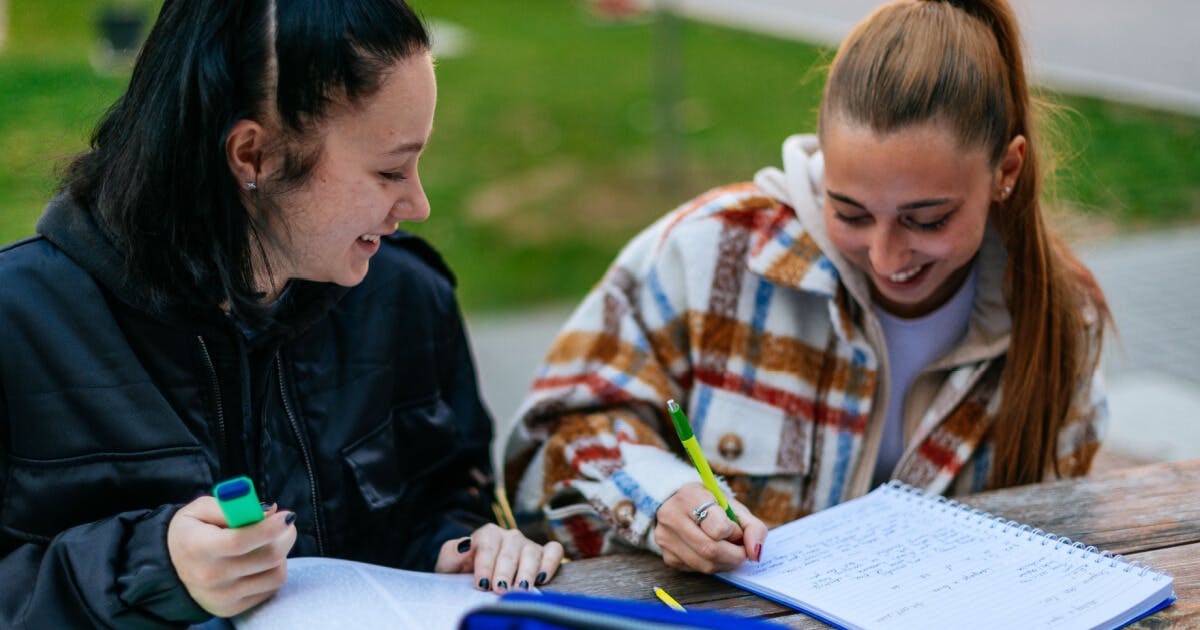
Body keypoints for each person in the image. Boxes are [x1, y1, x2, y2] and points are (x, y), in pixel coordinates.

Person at [0, 0, 562, 626]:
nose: (419, 202)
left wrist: (463, 547)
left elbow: (447, 495)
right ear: (253, 157)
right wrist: (150, 568)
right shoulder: (18, 324)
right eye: (389, 169)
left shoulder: (405, 296)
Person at [503, 0, 1109, 575]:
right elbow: (550, 443)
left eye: (927, 220)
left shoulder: (1062, 317)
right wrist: (662, 498)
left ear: (1006, 171)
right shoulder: (713, 253)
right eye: (849, 212)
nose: (885, 256)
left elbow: (1066, 530)